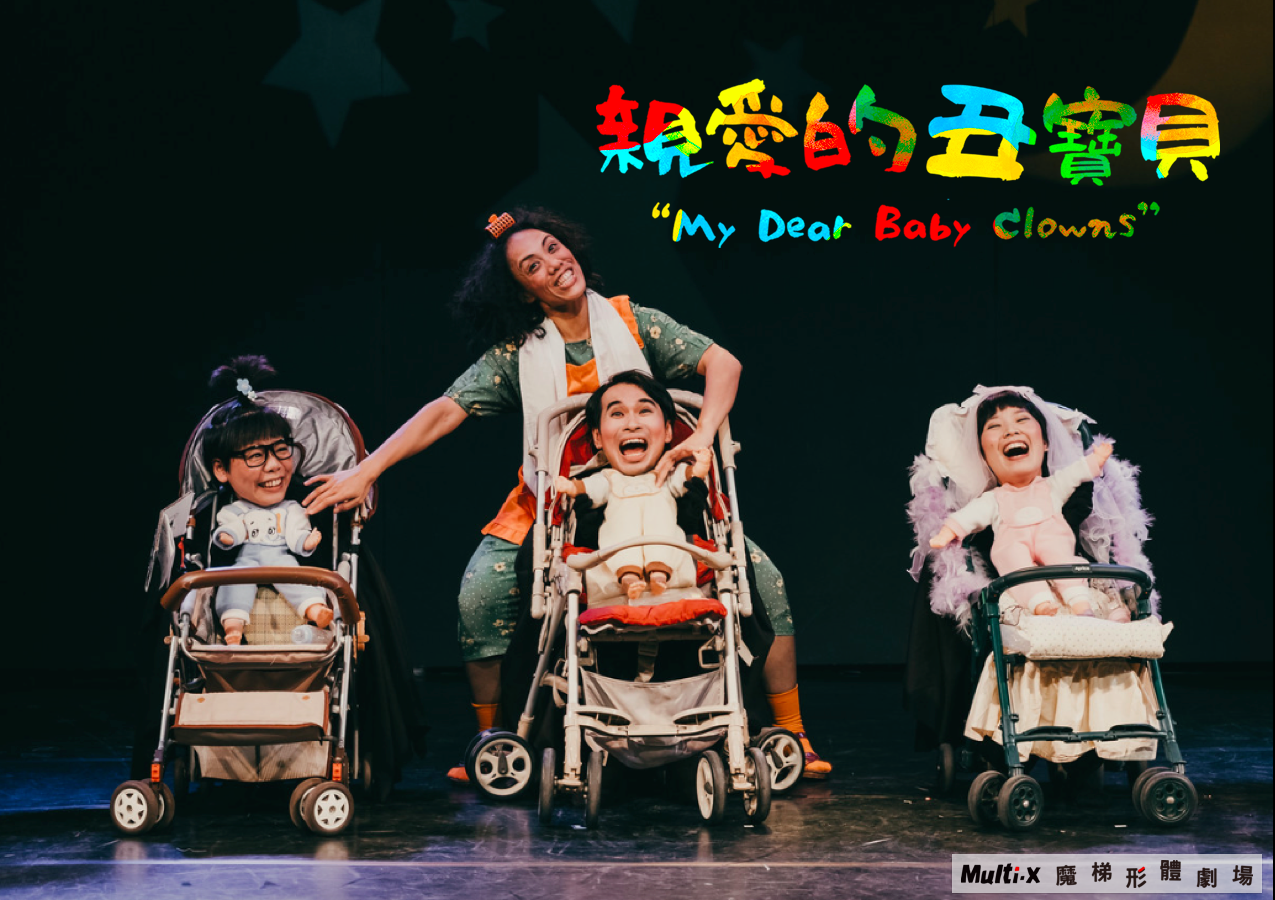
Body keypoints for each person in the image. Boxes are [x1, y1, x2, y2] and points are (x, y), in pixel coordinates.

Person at [303, 207, 831, 779]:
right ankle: (494, 739)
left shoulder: (634, 323)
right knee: (480, 595)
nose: (554, 264)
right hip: (554, 501)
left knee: (762, 578)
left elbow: (723, 364)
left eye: (554, 248)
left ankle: (792, 732)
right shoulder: (518, 354)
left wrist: (701, 437)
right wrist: (367, 470)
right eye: (533, 266)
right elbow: (445, 410)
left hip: (658, 493)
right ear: (523, 293)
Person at [928, 397, 1128, 621]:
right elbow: (968, 516)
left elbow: (1075, 473)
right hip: (1013, 545)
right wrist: (948, 531)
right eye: (995, 425)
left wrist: (1095, 461)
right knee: (1014, 561)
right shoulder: (993, 499)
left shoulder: (1052, 486)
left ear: (1045, 444)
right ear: (984, 456)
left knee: (1063, 558)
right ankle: (1039, 602)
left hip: (1053, 539)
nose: (1011, 431)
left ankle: (1081, 604)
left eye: (1022, 420)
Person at [202, 356, 331, 644]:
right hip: (244, 564)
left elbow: (297, 532)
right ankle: (233, 629)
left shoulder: (299, 505)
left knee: (298, 578)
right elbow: (230, 528)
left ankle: (315, 609)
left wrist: (306, 540)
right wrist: (227, 536)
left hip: (283, 563)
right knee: (234, 582)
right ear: (221, 469)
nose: (274, 465)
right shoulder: (224, 511)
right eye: (255, 455)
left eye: (281, 449)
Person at [557, 370, 712, 604]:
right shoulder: (608, 478)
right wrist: (570, 486)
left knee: (664, 533)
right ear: (597, 437)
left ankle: (659, 575)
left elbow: (686, 477)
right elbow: (589, 488)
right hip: (617, 554)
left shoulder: (667, 475)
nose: (631, 424)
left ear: (668, 431)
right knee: (617, 535)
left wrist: (699, 467)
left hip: (668, 549)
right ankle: (629, 579)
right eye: (617, 413)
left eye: (645, 411)